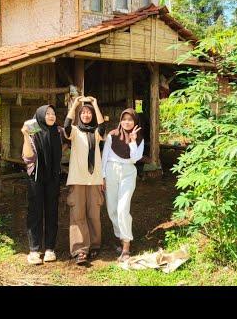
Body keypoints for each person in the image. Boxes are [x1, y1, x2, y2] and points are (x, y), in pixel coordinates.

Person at [63, 95, 106, 265]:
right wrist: (75, 106)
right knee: (78, 214)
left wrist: (95, 104)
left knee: (94, 214)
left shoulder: (96, 133)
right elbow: (66, 125)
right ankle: (80, 249)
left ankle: (95, 245)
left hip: (94, 179)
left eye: (89, 113)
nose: (86, 115)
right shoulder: (74, 132)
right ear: (80, 116)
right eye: (84, 113)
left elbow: (102, 126)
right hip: (78, 179)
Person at [21, 104, 63, 265]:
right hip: (36, 179)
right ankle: (34, 250)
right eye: (47, 114)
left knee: (52, 212)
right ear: (40, 116)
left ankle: (50, 249)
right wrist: (25, 136)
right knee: (35, 212)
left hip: (52, 178)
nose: (51, 116)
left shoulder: (57, 132)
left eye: (53, 113)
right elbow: (28, 157)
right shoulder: (33, 133)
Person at [101, 108, 144, 262]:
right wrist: (103, 177)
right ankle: (120, 237)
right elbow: (104, 156)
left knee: (123, 208)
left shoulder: (139, 138)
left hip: (128, 172)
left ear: (135, 122)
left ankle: (126, 247)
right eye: (124, 119)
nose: (127, 122)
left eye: (130, 119)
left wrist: (132, 141)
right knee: (112, 209)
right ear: (120, 121)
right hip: (111, 170)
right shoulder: (112, 135)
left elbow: (135, 159)